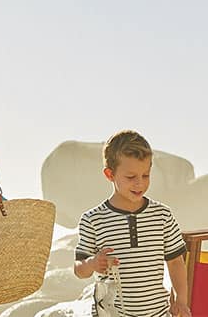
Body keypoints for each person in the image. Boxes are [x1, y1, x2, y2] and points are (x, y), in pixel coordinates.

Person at [73, 130, 192, 317]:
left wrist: (182, 301)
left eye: (145, 175)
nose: (140, 183)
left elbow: (176, 262)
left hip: (158, 313)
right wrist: (92, 263)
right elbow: (79, 269)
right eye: (131, 177)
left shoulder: (162, 215)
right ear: (109, 174)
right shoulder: (92, 220)